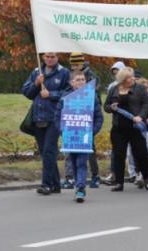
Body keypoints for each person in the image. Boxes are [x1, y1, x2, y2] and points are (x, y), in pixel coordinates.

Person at [22, 52, 71, 195]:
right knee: (45, 153)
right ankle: (56, 184)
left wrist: (51, 95)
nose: (50, 59)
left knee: (49, 151)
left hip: (54, 118)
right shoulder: (36, 72)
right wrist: (36, 83)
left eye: (53, 56)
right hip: (38, 117)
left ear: (57, 58)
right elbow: (27, 92)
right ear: (43, 57)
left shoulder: (64, 73)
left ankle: (46, 184)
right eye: (47, 56)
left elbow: (69, 93)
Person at [54, 71, 103, 203]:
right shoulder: (65, 98)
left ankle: (81, 187)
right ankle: (78, 185)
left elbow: (99, 117)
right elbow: (58, 117)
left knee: (81, 162)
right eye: (78, 79)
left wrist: (92, 131)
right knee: (73, 162)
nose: (81, 82)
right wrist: (62, 130)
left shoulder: (91, 97)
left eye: (83, 79)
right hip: (70, 137)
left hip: (85, 137)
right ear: (71, 83)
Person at [103, 67, 148, 192]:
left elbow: (147, 104)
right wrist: (111, 107)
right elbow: (106, 106)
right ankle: (119, 182)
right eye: (129, 77)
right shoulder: (114, 89)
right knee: (119, 155)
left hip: (135, 127)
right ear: (122, 79)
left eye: (133, 76)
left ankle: (145, 176)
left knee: (141, 154)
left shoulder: (140, 89)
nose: (132, 79)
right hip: (118, 127)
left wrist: (141, 116)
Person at [62, 52, 102, 189]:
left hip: (86, 115)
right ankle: (69, 177)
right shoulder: (68, 74)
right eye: (72, 63)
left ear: (83, 62)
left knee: (89, 150)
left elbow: (94, 92)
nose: (74, 66)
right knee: (69, 149)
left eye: (77, 63)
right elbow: (66, 90)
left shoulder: (91, 75)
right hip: (72, 115)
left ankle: (95, 175)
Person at [102, 60, 126, 185]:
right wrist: (111, 107)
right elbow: (106, 106)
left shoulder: (132, 84)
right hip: (117, 124)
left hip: (132, 123)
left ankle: (138, 173)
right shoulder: (112, 87)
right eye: (114, 73)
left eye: (119, 72)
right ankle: (115, 175)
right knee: (116, 151)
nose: (117, 75)